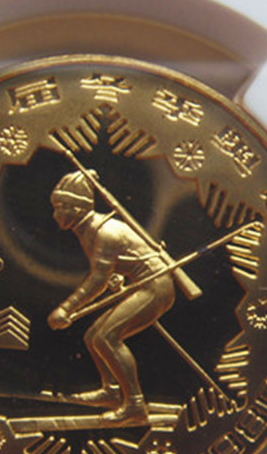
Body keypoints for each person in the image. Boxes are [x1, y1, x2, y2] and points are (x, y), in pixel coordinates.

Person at [47, 170, 175, 425]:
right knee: (93, 336)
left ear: (78, 208)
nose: (55, 215)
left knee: (107, 337)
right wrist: (116, 275)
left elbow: (98, 279)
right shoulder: (88, 229)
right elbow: (116, 265)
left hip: (155, 287)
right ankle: (112, 392)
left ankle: (135, 406)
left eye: (61, 207)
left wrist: (67, 307)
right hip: (144, 285)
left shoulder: (105, 232)